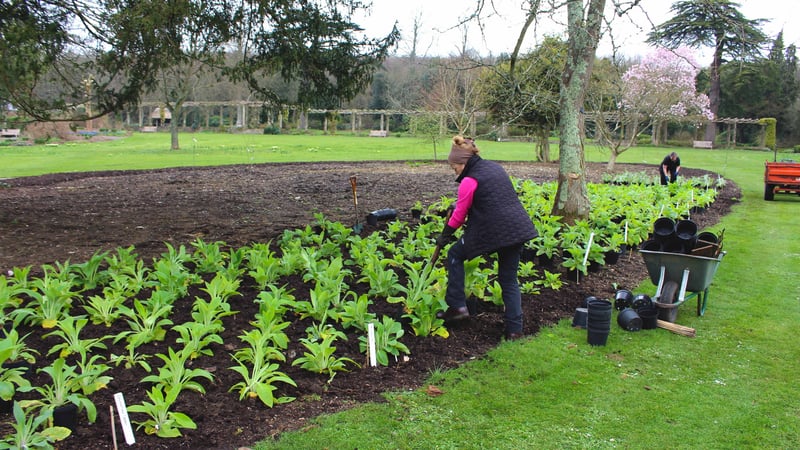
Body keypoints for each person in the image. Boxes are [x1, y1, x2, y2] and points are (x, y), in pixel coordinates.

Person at [435, 136, 538, 340]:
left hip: (493, 230)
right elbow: (489, 197)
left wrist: (445, 235)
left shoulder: (469, 180)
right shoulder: (494, 168)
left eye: (454, 166)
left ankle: (457, 307)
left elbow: (460, 215)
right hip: (516, 228)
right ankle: (514, 330)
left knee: (454, 254)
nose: (453, 170)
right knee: (509, 279)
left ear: (462, 163)